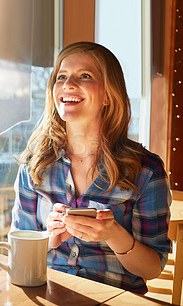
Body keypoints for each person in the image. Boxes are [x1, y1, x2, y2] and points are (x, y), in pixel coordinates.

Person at [11, 41, 171, 294]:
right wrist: (49, 240)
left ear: (108, 95)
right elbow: (17, 255)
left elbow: (151, 270)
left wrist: (114, 234)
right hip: (49, 294)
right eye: (61, 76)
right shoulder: (34, 166)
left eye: (85, 75)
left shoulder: (146, 170)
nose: (68, 84)